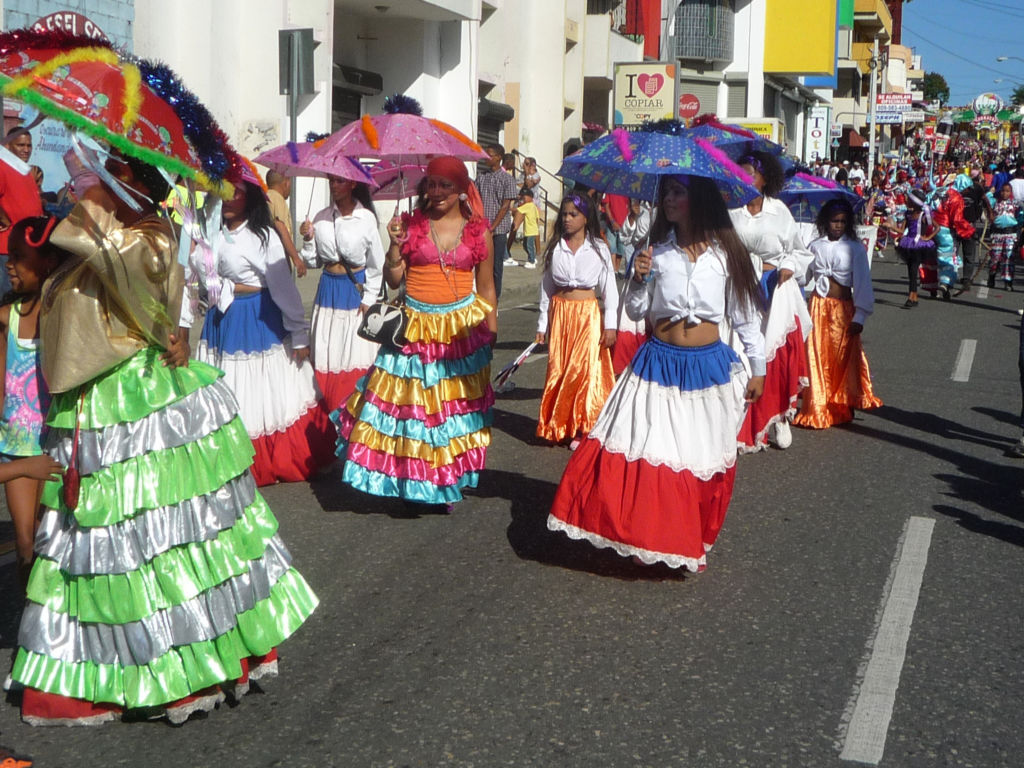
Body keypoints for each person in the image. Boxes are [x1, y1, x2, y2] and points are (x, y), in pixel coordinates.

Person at [10, 148, 317, 726]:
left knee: (151, 538)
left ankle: (175, 663)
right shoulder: (116, 229)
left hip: (135, 406)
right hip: (95, 406)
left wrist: (94, 196)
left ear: (129, 185)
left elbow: (107, 255)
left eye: (101, 178)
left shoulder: (146, 237)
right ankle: (94, 664)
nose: (84, 187)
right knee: (100, 546)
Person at [547, 175, 765, 572]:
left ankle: (684, 537)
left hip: (708, 370)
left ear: (697, 199)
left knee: (695, 457)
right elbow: (634, 311)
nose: (669, 199)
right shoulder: (655, 253)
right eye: (666, 192)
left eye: (678, 192)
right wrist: (640, 279)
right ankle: (652, 536)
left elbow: (745, 317)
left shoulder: (725, 256)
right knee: (655, 452)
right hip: (658, 365)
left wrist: (758, 367)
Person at [334, 156, 497, 511]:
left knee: (450, 411)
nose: (437, 192)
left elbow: (486, 288)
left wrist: (491, 332)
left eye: (445, 186)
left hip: (460, 330)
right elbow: (394, 279)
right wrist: (394, 244)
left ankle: (445, 478)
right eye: (432, 184)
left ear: (460, 190)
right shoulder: (411, 224)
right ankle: (408, 478)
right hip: (414, 325)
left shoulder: (479, 230)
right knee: (412, 409)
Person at [182, 171, 335, 486]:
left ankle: (260, 456)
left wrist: (299, 334)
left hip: (257, 319)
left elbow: (284, 290)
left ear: (249, 197)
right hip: (220, 321)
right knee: (226, 384)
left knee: (258, 389)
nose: (227, 198)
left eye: (235, 192)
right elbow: (195, 275)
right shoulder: (210, 232)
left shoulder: (263, 237)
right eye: (222, 191)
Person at [730, 151, 813, 452]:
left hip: (774, 289)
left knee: (772, 354)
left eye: (751, 172)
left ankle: (778, 415)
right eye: (741, 172)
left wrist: (789, 265)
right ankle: (739, 420)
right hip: (739, 288)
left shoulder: (780, 212)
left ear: (765, 178)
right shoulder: (730, 210)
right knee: (741, 352)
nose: (746, 177)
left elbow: (800, 251)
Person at [0, 216, 65, 591]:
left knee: (50, 541)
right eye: (9, 255)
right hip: (15, 448)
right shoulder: (6, 317)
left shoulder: (61, 313)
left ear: (47, 264)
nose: (9, 263)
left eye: (19, 257)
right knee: (26, 545)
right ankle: (32, 626)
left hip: (55, 442)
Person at [534, 192, 617, 449]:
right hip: (561, 314)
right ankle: (561, 424)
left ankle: (585, 425)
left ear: (585, 217)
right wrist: (541, 325)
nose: (568, 219)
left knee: (584, 371)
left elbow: (609, 289)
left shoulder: (599, 248)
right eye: (565, 214)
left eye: (574, 214)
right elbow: (546, 287)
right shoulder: (556, 246)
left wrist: (611, 324)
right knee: (560, 369)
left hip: (587, 315)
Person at [298, 176, 384, 412]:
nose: (334, 186)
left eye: (339, 182)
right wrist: (308, 240)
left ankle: (352, 410)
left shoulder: (365, 218)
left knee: (352, 352)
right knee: (327, 350)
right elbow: (314, 260)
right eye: (331, 181)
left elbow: (376, 263)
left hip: (354, 289)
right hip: (328, 291)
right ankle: (327, 410)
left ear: (352, 184)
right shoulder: (321, 217)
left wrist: (369, 298)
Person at [794, 198, 882, 430]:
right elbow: (804, 277)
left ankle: (840, 403)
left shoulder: (854, 248)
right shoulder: (815, 246)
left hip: (843, 309)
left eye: (843, 221)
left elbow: (862, 283)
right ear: (826, 221)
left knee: (842, 358)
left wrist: (860, 316)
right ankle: (817, 406)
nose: (838, 226)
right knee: (816, 357)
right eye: (834, 221)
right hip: (818, 307)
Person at [0, 127, 43, 297]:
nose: (26, 150)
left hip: (25, 249)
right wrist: (3, 217)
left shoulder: (25, 170)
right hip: (6, 250)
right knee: (6, 299)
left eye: (29, 145)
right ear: (8, 146)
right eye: (21, 145)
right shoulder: (3, 166)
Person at [613, 198, 652, 375]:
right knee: (632, 314)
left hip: (657, 265)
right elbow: (624, 237)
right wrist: (632, 217)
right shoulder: (641, 209)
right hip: (639, 263)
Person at [477, 143, 517, 295]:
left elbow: (505, 206)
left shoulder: (507, 180)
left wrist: (492, 227)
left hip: (498, 230)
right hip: (482, 229)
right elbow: (476, 200)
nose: (486, 158)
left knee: (496, 267)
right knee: (480, 265)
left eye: (490, 155)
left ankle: (495, 299)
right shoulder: (481, 177)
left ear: (499, 158)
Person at [894, 192, 936, 308]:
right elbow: (902, 230)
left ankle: (910, 297)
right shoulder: (908, 214)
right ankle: (914, 297)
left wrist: (927, 237)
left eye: (910, 200)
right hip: (908, 244)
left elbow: (937, 227)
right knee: (910, 271)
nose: (907, 201)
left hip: (919, 246)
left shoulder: (923, 215)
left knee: (913, 270)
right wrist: (890, 226)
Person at [266, 169, 307, 278]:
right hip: (278, 263)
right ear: (286, 183)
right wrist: (296, 258)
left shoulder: (267, 196)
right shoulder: (276, 198)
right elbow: (281, 227)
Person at [987, 182, 1023, 290]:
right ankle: (992, 276)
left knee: (1009, 256)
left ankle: (1008, 281)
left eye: (1007, 191)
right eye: (1003, 191)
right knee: (995, 257)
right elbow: (986, 200)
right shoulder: (995, 202)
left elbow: (1021, 215)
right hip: (997, 234)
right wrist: (991, 192)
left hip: (1010, 233)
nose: (1004, 193)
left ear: (1011, 192)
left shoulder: (1015, 203)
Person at [511, 187, 540, 269]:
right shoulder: (533, 206)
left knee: (529, 245)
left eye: (525, 197)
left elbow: (518, 210)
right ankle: (532, 256)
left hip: (531, 230)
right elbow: (537, 217)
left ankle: (532, 261)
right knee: (525, 245)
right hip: (530, 230)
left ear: (531, 198)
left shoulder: (528, 205)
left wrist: (510, 209)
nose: (523, 199)